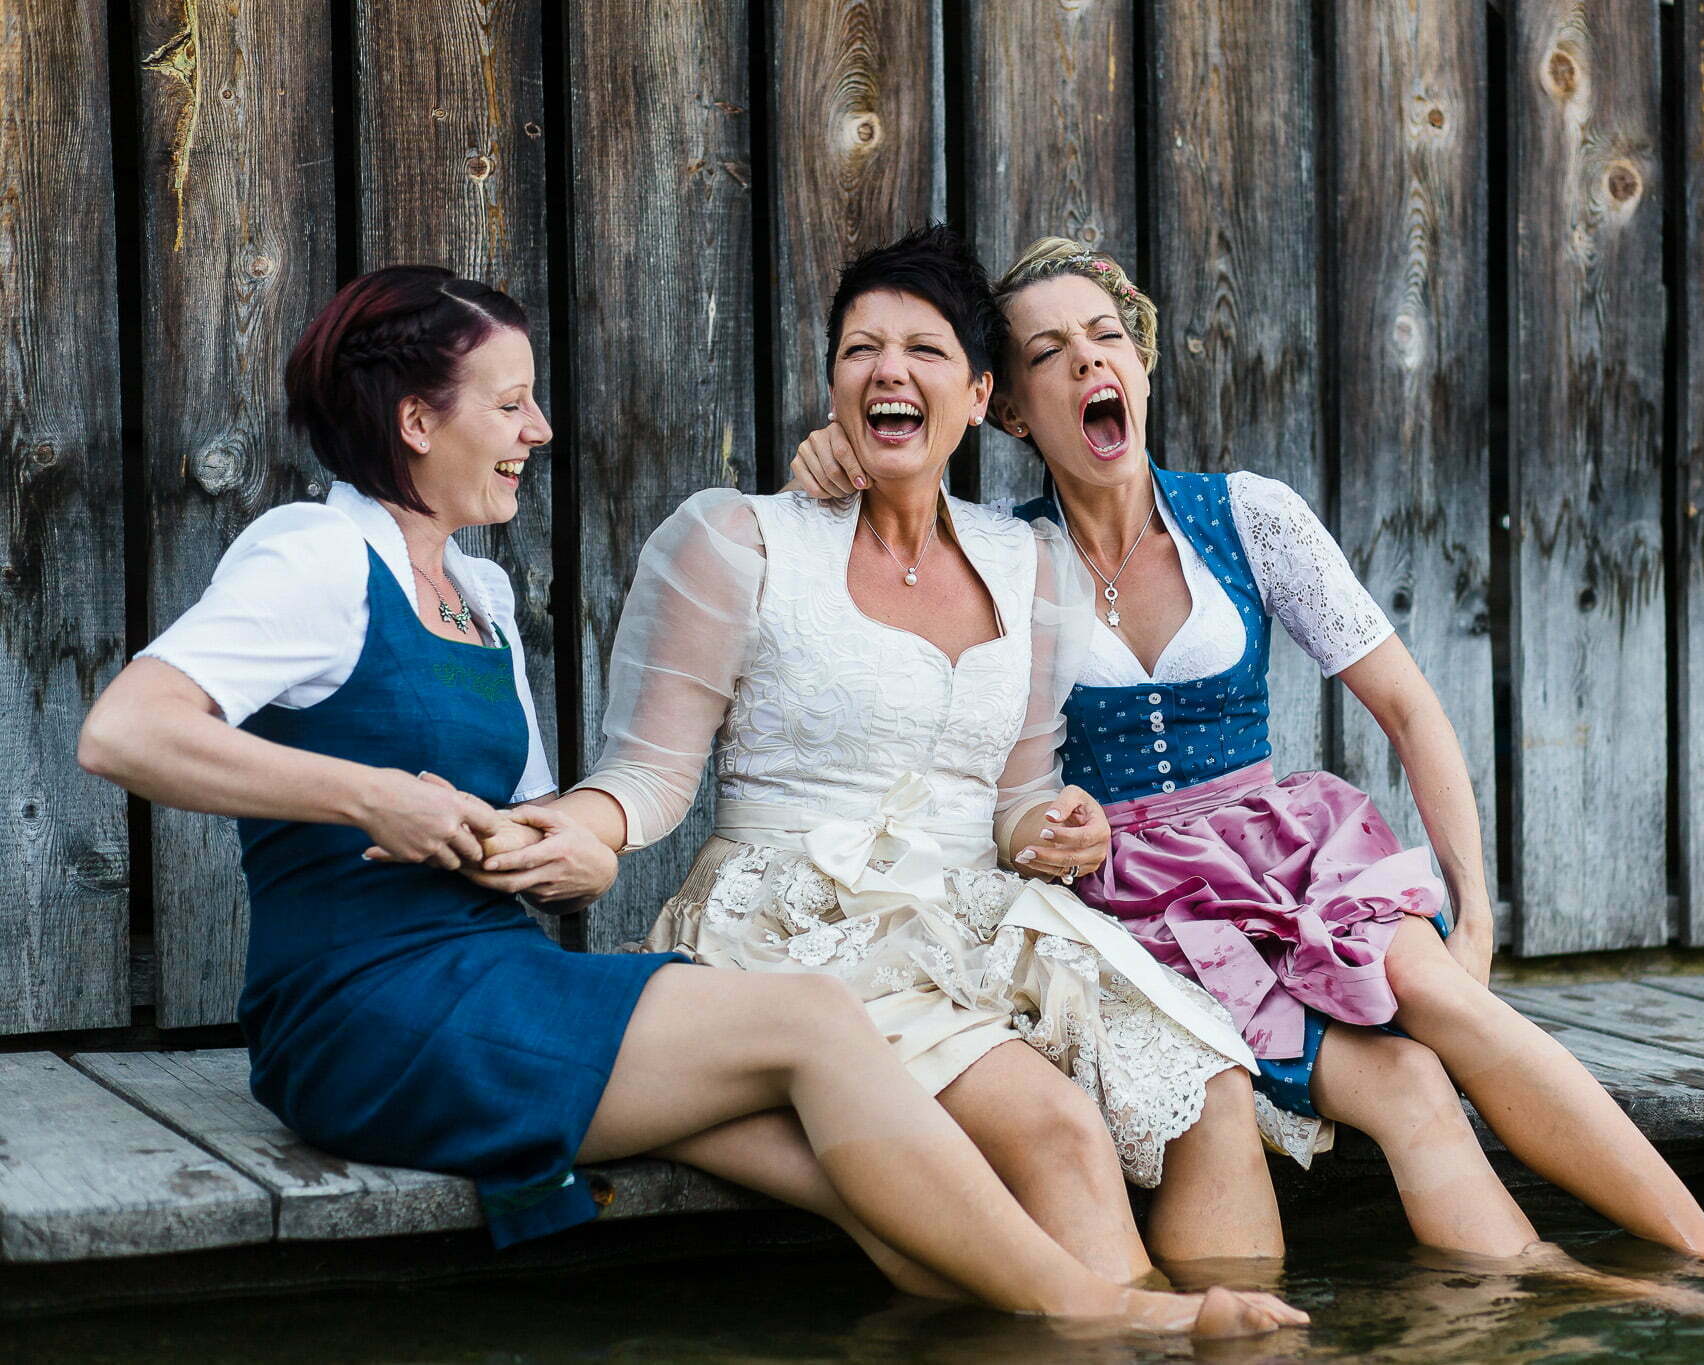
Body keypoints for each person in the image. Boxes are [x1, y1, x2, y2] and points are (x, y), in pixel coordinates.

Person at [74, 264, 1302, 1336]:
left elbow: (540, 819)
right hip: (363, 1015)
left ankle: (1059, 1330)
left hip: (500, 975)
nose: (538, 429)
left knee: (873, 1198)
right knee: (817, 1024)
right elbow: (126, 733)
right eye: (509, 404)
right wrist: (371, 799)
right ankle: (1106, 1313)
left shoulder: (480, 597)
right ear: (412, 418)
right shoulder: (311, 553)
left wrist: (570, 853)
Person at [787, 238, 1704, 1292]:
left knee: (1447, 1005)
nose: (1088, 364)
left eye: (1104, 339)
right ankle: (1567, 1285)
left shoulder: (1248, 516)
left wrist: (1477, 917)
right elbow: (878, 548)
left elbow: (1409, 710)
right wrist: (831, 465)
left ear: (1138, 366)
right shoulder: (994, 551)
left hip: (1289, 856)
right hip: (1135, 903)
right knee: (1407, 1084)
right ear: (1007, 410)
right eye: (1048, 355)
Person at [489, 226, 1309, 1290]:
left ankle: (1250, 1342)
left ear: (976, 396)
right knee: (1056, 1129)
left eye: (923, 351)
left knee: (1210, 1088)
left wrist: (1057, 827)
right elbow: (645, 779)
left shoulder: (1031, 562)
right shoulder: (739, 542)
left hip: (982, 917)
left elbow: (1017, 796)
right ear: (833, 386)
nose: (887, 370)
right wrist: (576, 824)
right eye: (858, 350)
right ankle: (1138, 1337)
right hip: (794, 919)